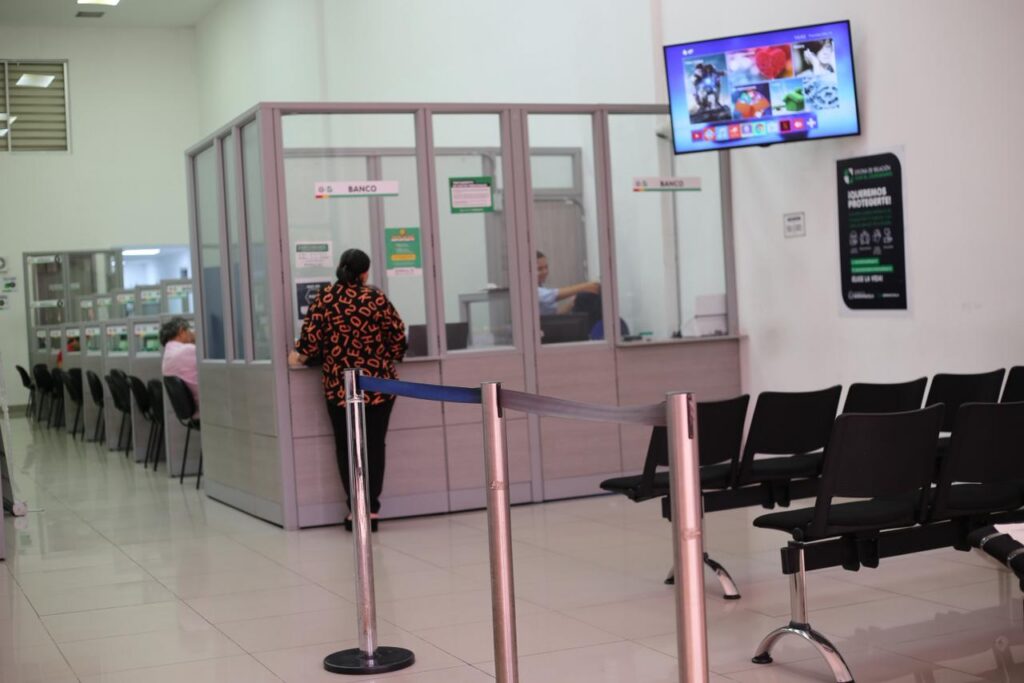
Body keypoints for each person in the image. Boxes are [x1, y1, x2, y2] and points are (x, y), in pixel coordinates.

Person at [289, 248, 406, 531]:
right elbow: (398, 340)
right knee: (374, 446)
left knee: (347, 448)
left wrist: (303, 357)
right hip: (379, 387)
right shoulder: (376, 298)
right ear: (365, 273)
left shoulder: (325, 299)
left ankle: (356, 510)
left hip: (340, 388)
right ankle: (372, 510)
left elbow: (308, 345)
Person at [536, 250, 600, 315]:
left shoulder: (542, 288)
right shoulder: (533, 293)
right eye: (539, 269)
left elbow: (554, 317)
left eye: (546, 267)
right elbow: (555, 294)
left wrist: (572, 303)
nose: (545, 271)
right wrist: (588, 286)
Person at [159, 316, 199, 411]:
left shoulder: (168, 355)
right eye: (189, 330)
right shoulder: (187, 350)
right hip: (204, 408)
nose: (192, 333)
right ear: (181, 331)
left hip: (193, 409)